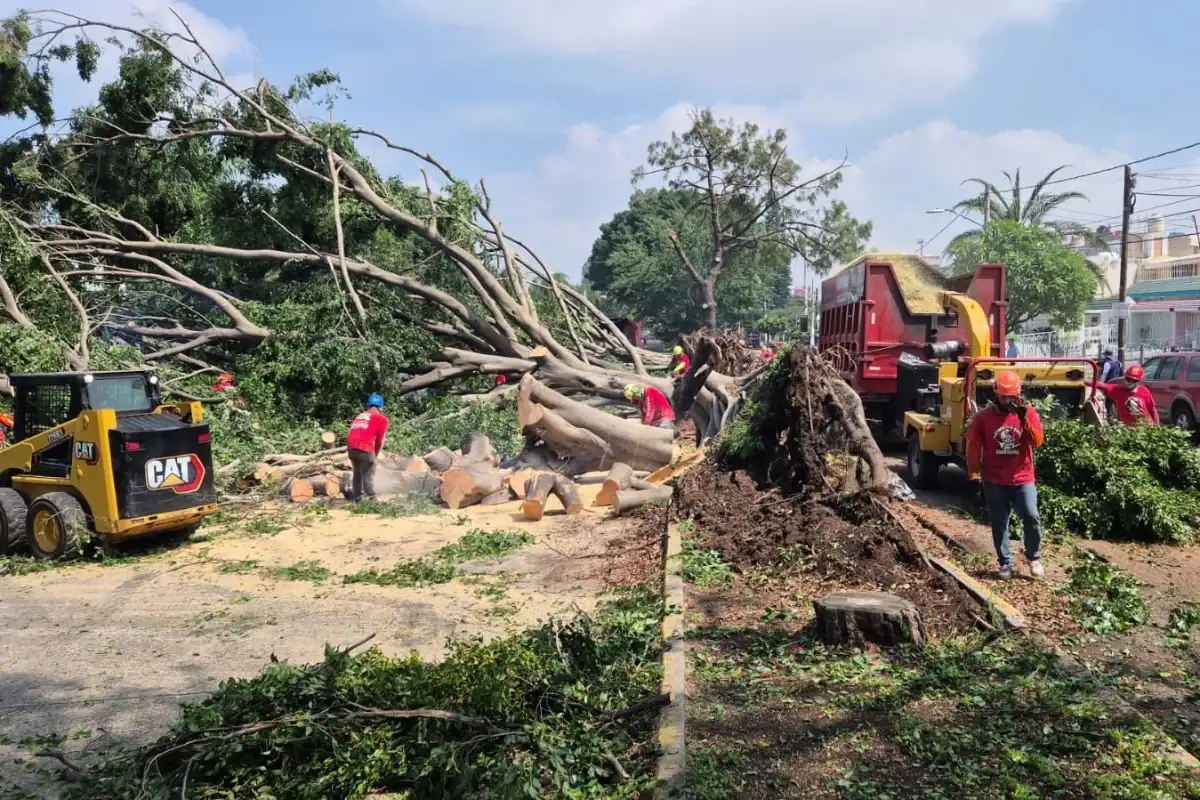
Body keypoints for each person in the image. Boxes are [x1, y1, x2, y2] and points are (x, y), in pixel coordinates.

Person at [966, 371, 1045, 580]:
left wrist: (1024, 420)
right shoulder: (983, 417)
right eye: (1003, 397)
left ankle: (1033, 557)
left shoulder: (1028, 413)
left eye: (1011, 397)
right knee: (999, 522)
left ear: (1018, 395)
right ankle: (1005, 563)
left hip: (1022, 478)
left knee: (1031, 516)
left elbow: (1037, 442)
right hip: (994, 479)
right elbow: (974, 446)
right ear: (995, 394)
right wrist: (973, 472)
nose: (1007, 401)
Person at [346, 393, 389, 501]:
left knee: (357, 473)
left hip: (351, 447)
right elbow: (380, 440)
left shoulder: (359, 416)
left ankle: (357, 499)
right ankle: (372, 500)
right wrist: (375, 455)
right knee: (368, 474)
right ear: (381, 407)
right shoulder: (382, 419)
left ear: (369, 406)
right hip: (365, 446)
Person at [1091, 363, 1158, 427]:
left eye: (1133, 380)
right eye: (1128, 379)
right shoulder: (1117, 390)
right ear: (1125, 378)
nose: (1130, 382)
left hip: (1147, 427)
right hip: (1130, 430)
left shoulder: (1144, 391)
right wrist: (1082, 381)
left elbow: (1152, 410)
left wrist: (1157, 426)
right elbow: (1101, 385)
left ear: (1139, 381)